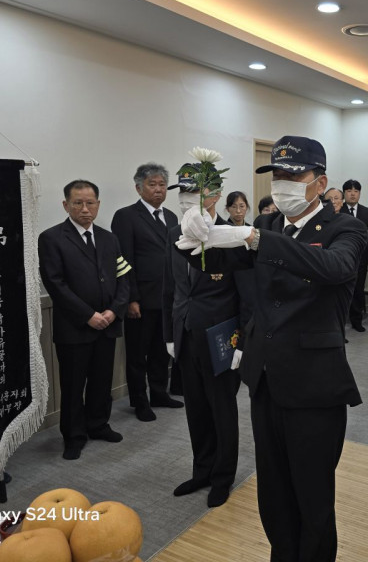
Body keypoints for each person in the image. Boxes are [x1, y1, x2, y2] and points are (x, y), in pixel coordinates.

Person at [176, 135, 366, 561]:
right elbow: (220, 263)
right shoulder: (270, 225)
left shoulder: (344, 228)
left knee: (312, 496)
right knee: (274, 491)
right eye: (277, 175)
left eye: (293, 175)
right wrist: (193, 236)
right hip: (265, 378)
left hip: (314, 385)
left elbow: (334, 266)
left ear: (320, 182)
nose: (282, 184)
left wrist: (256, 238)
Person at [162, 164, 241, 507]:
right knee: (195, 408)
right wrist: (169, 333)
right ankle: (202, 470)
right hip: (186, 333)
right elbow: (171, 288)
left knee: (222, 409)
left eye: (194, 192)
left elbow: (244, 295)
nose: (186, 199)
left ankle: (223, 477)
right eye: (183, 192)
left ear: (215, 195)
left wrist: (243, 341)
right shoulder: (174, 233)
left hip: (220, 337)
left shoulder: (232, 235)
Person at [38, 180, 131, 460]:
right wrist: (88, 315)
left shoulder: (109, 238)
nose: (85, 209)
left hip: (108, 323)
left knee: (102, 381)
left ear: (98, 205)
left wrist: (114, 310)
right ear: (66, 205)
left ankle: (98, 425)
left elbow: (123, 277)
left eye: (90, 203)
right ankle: (74, 436)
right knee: (73, 385)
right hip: (74, 327)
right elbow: (55, 284)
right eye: (77, 203)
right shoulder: (52, 238)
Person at [111, 163, 183, 423]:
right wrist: (131, 298)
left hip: (167, 298)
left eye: (162, 184)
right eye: (152, 184)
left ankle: (159, 394)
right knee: (137, 355)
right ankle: (140, 401)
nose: (158, 189)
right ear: (139, 188)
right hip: (140, 299)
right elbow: (123, 260)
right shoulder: (126, 216)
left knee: (161, 351)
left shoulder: (171, 217)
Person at [340, 179, 368, 331]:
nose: (352, 194)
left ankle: (357, 320)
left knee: (358, 289)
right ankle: (340, 322)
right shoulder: (337, 210)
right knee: (340, 289)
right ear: (344, 193)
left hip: (361, 258)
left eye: (356, 191)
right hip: (341, 258)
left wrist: (358, 248)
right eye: (349, 191)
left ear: (360, 193)